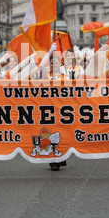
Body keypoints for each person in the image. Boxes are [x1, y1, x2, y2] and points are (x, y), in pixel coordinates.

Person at [38, 43, 67, 171]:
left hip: (62, 110)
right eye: (51, 63)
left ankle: (61, 157)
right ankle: (53, 160)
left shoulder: (64, 77)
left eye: (56, 63)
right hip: (49, 110)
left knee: (62, 134)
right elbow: (40, 65)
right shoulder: (46, 76)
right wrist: (50, 51)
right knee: (50, 134)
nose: (53, 65)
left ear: (60, 65)